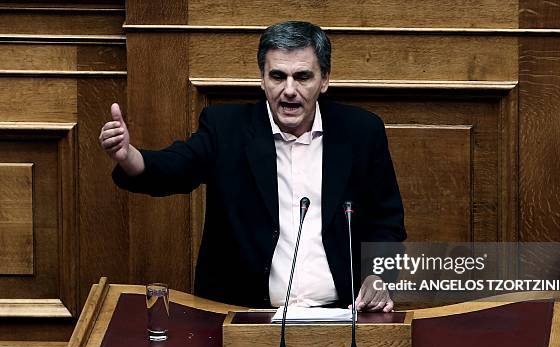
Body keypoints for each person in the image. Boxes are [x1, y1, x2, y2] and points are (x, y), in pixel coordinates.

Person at [99, 21, 406, 311]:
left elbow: (386, 221)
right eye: (277, 76)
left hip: (342, 315)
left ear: (324, 80)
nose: (289, 89)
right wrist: (129, 156)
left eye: (302, 77)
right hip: (244, 315)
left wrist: (378, 277)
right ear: (262, 79)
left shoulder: (361, 132)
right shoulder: (226, 129)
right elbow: (175, 167)